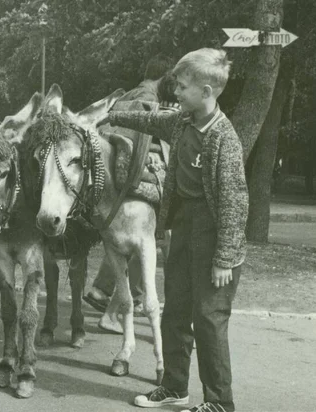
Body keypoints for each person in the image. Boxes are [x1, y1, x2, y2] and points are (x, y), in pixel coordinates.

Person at [100, 48, 248, 412]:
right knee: (176, 312)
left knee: (209, 320)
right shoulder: (182, 122)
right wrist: (109, 115)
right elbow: (149, 123)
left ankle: (219, 402)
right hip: (181, 228)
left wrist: (224, 259)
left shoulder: (223, 139)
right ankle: (174, 388)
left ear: (207, 92)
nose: (176, 93)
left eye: (182, 87)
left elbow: (235, 203)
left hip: (214, 237)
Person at [84, 53, 175, 328]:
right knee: (151, 242)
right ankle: (124, 307)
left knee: (126, 242)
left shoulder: (127, 95)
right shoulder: (151, 99)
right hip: (141, 177)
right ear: (164, 77)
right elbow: (155, 143)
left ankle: (108, 292)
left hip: (118, 181)